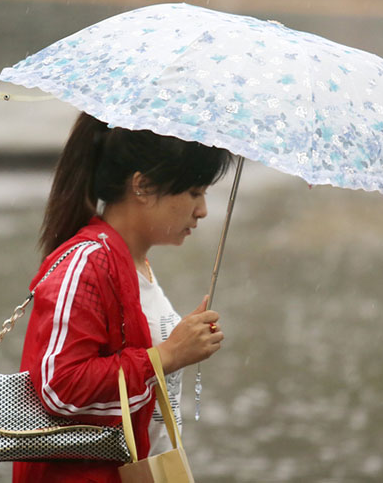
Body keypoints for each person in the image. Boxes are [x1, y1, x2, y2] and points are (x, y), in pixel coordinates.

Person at [13, 112, 232, 483]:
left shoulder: (134, 263)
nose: (203, 210)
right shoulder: (87, 264)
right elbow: (57, 386)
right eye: (194, 192)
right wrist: (168, 354)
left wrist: (179, 345)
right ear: (142, 186)